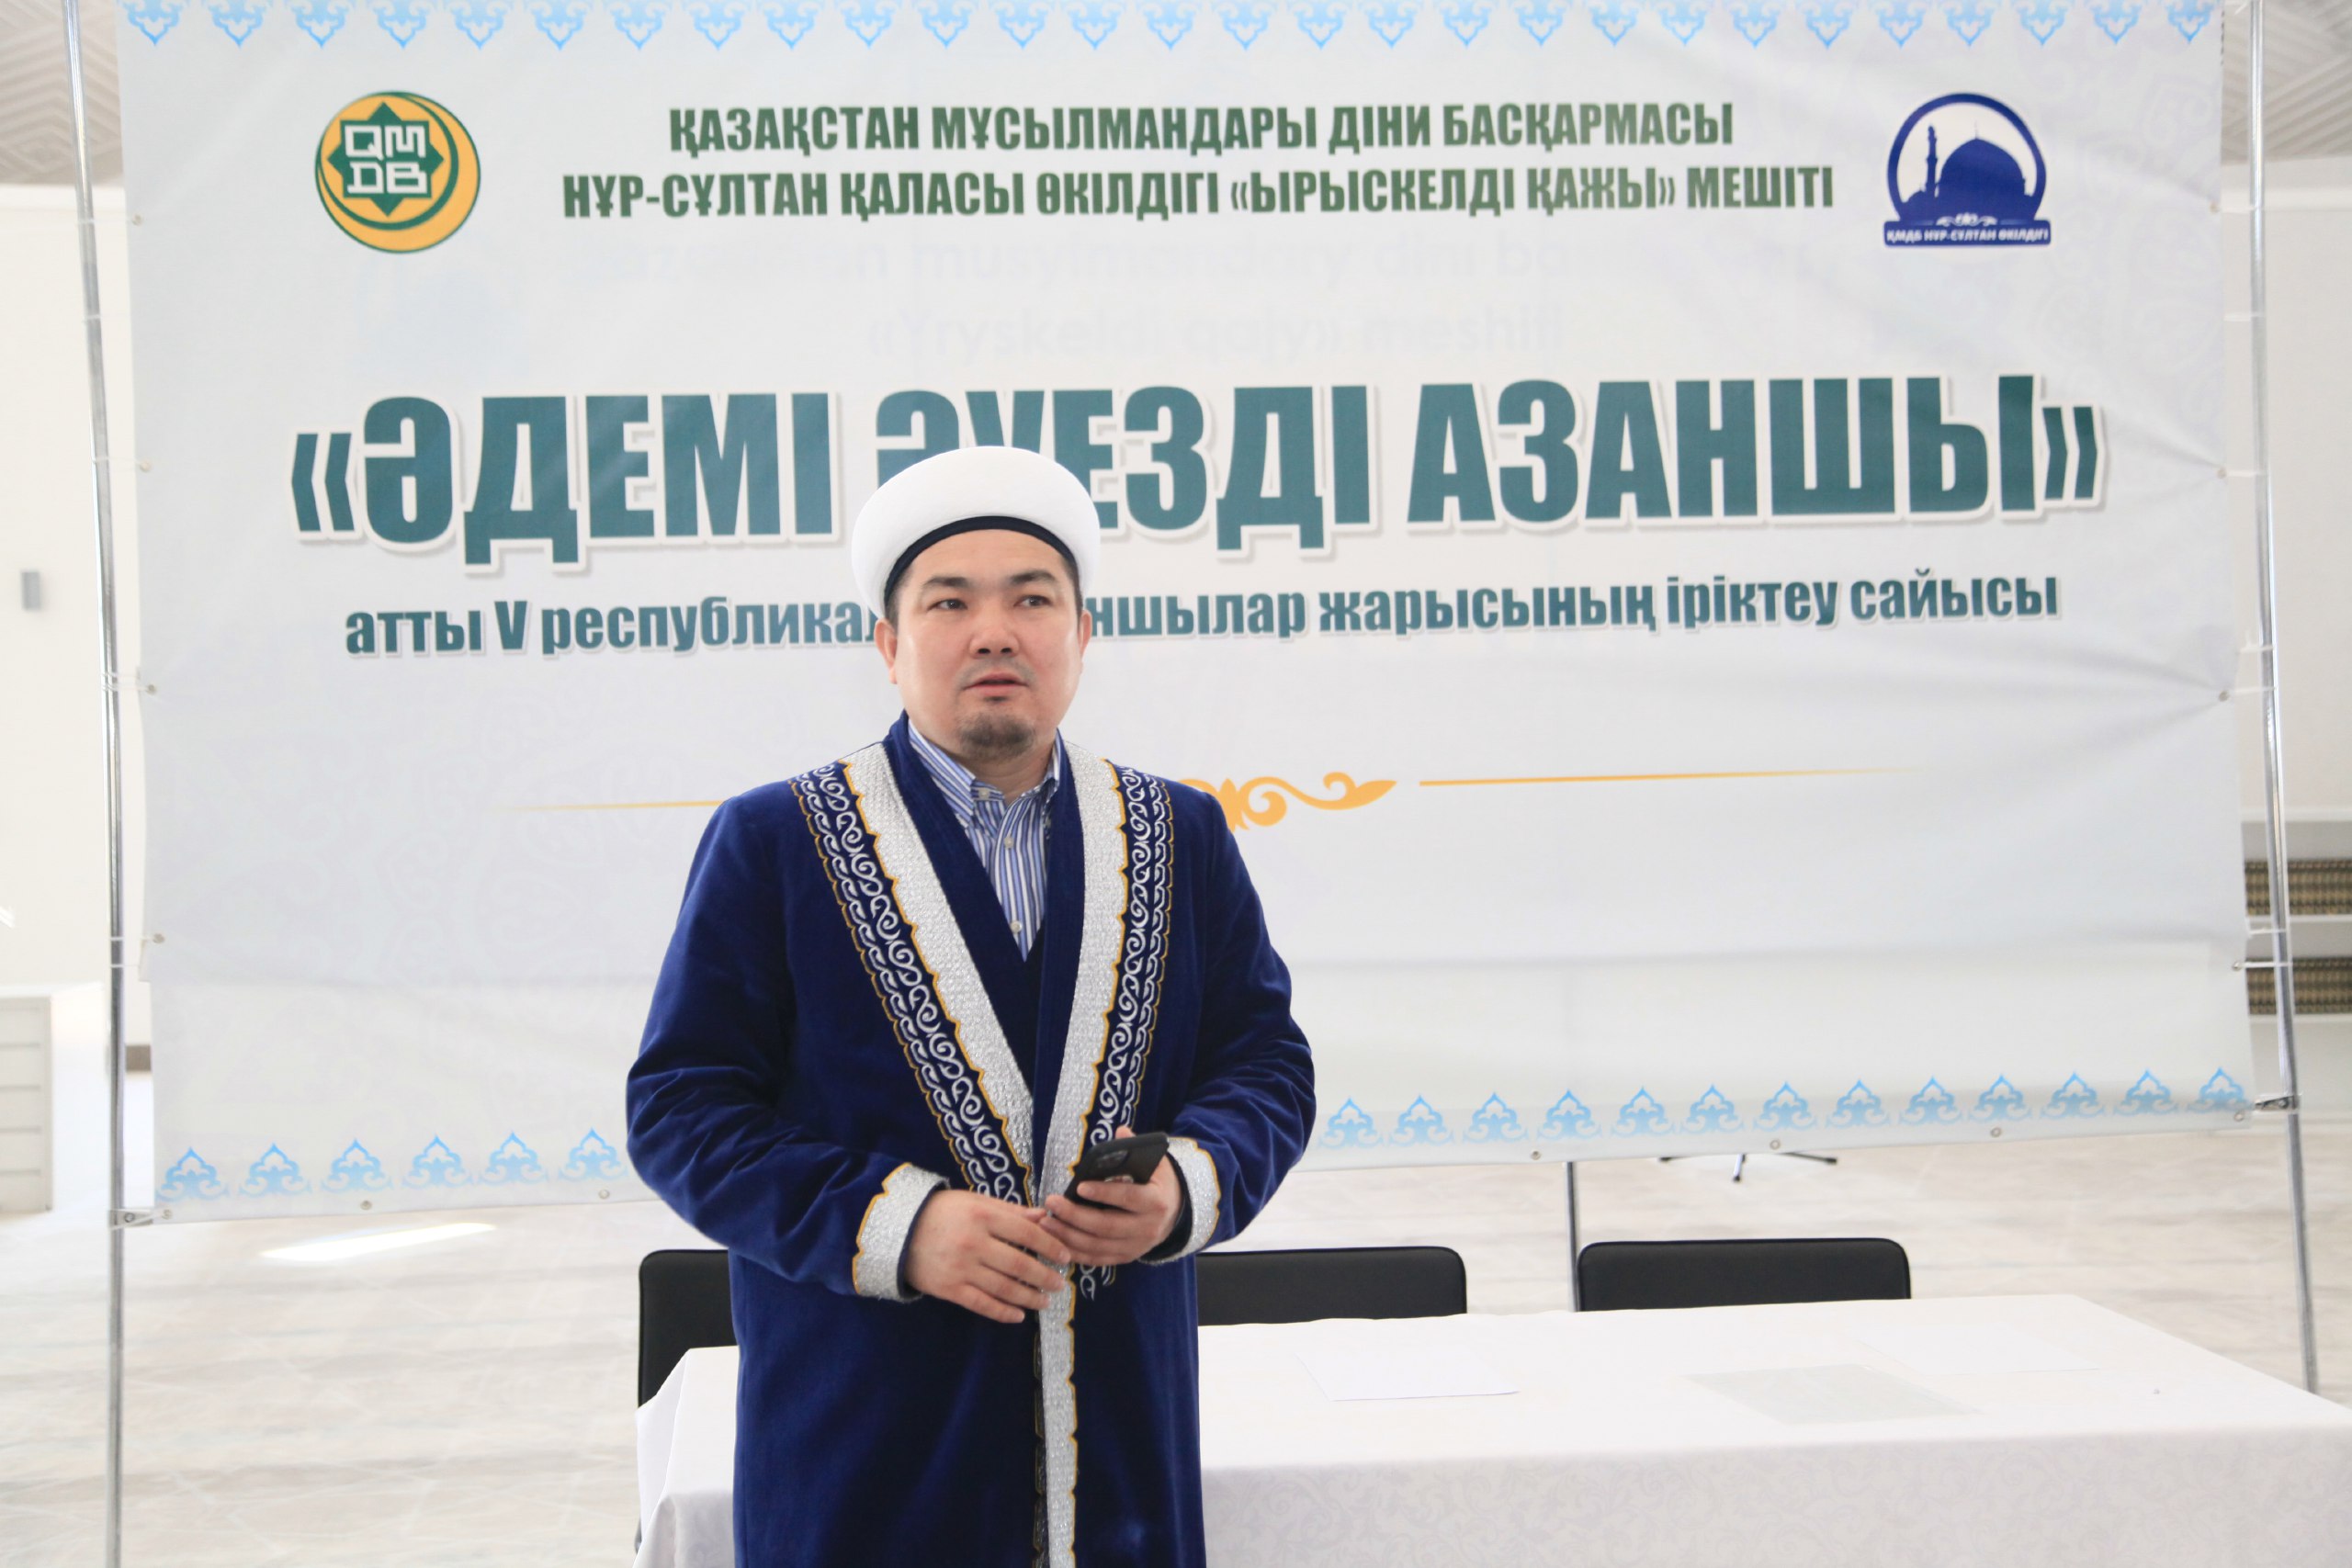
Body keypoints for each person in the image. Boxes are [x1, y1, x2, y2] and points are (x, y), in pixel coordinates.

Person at [626, 444, 1317, 1568]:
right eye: (949, 603)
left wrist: (1185, 1187)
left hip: (1122, 1453)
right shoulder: (774, 842)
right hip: (861, 1450)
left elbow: (1265, 1066)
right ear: (889, 645)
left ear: (1082, 634)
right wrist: (897, 1227)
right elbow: (681, 1112)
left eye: (1031, 600)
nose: (994, 631)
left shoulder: (1177, 834)